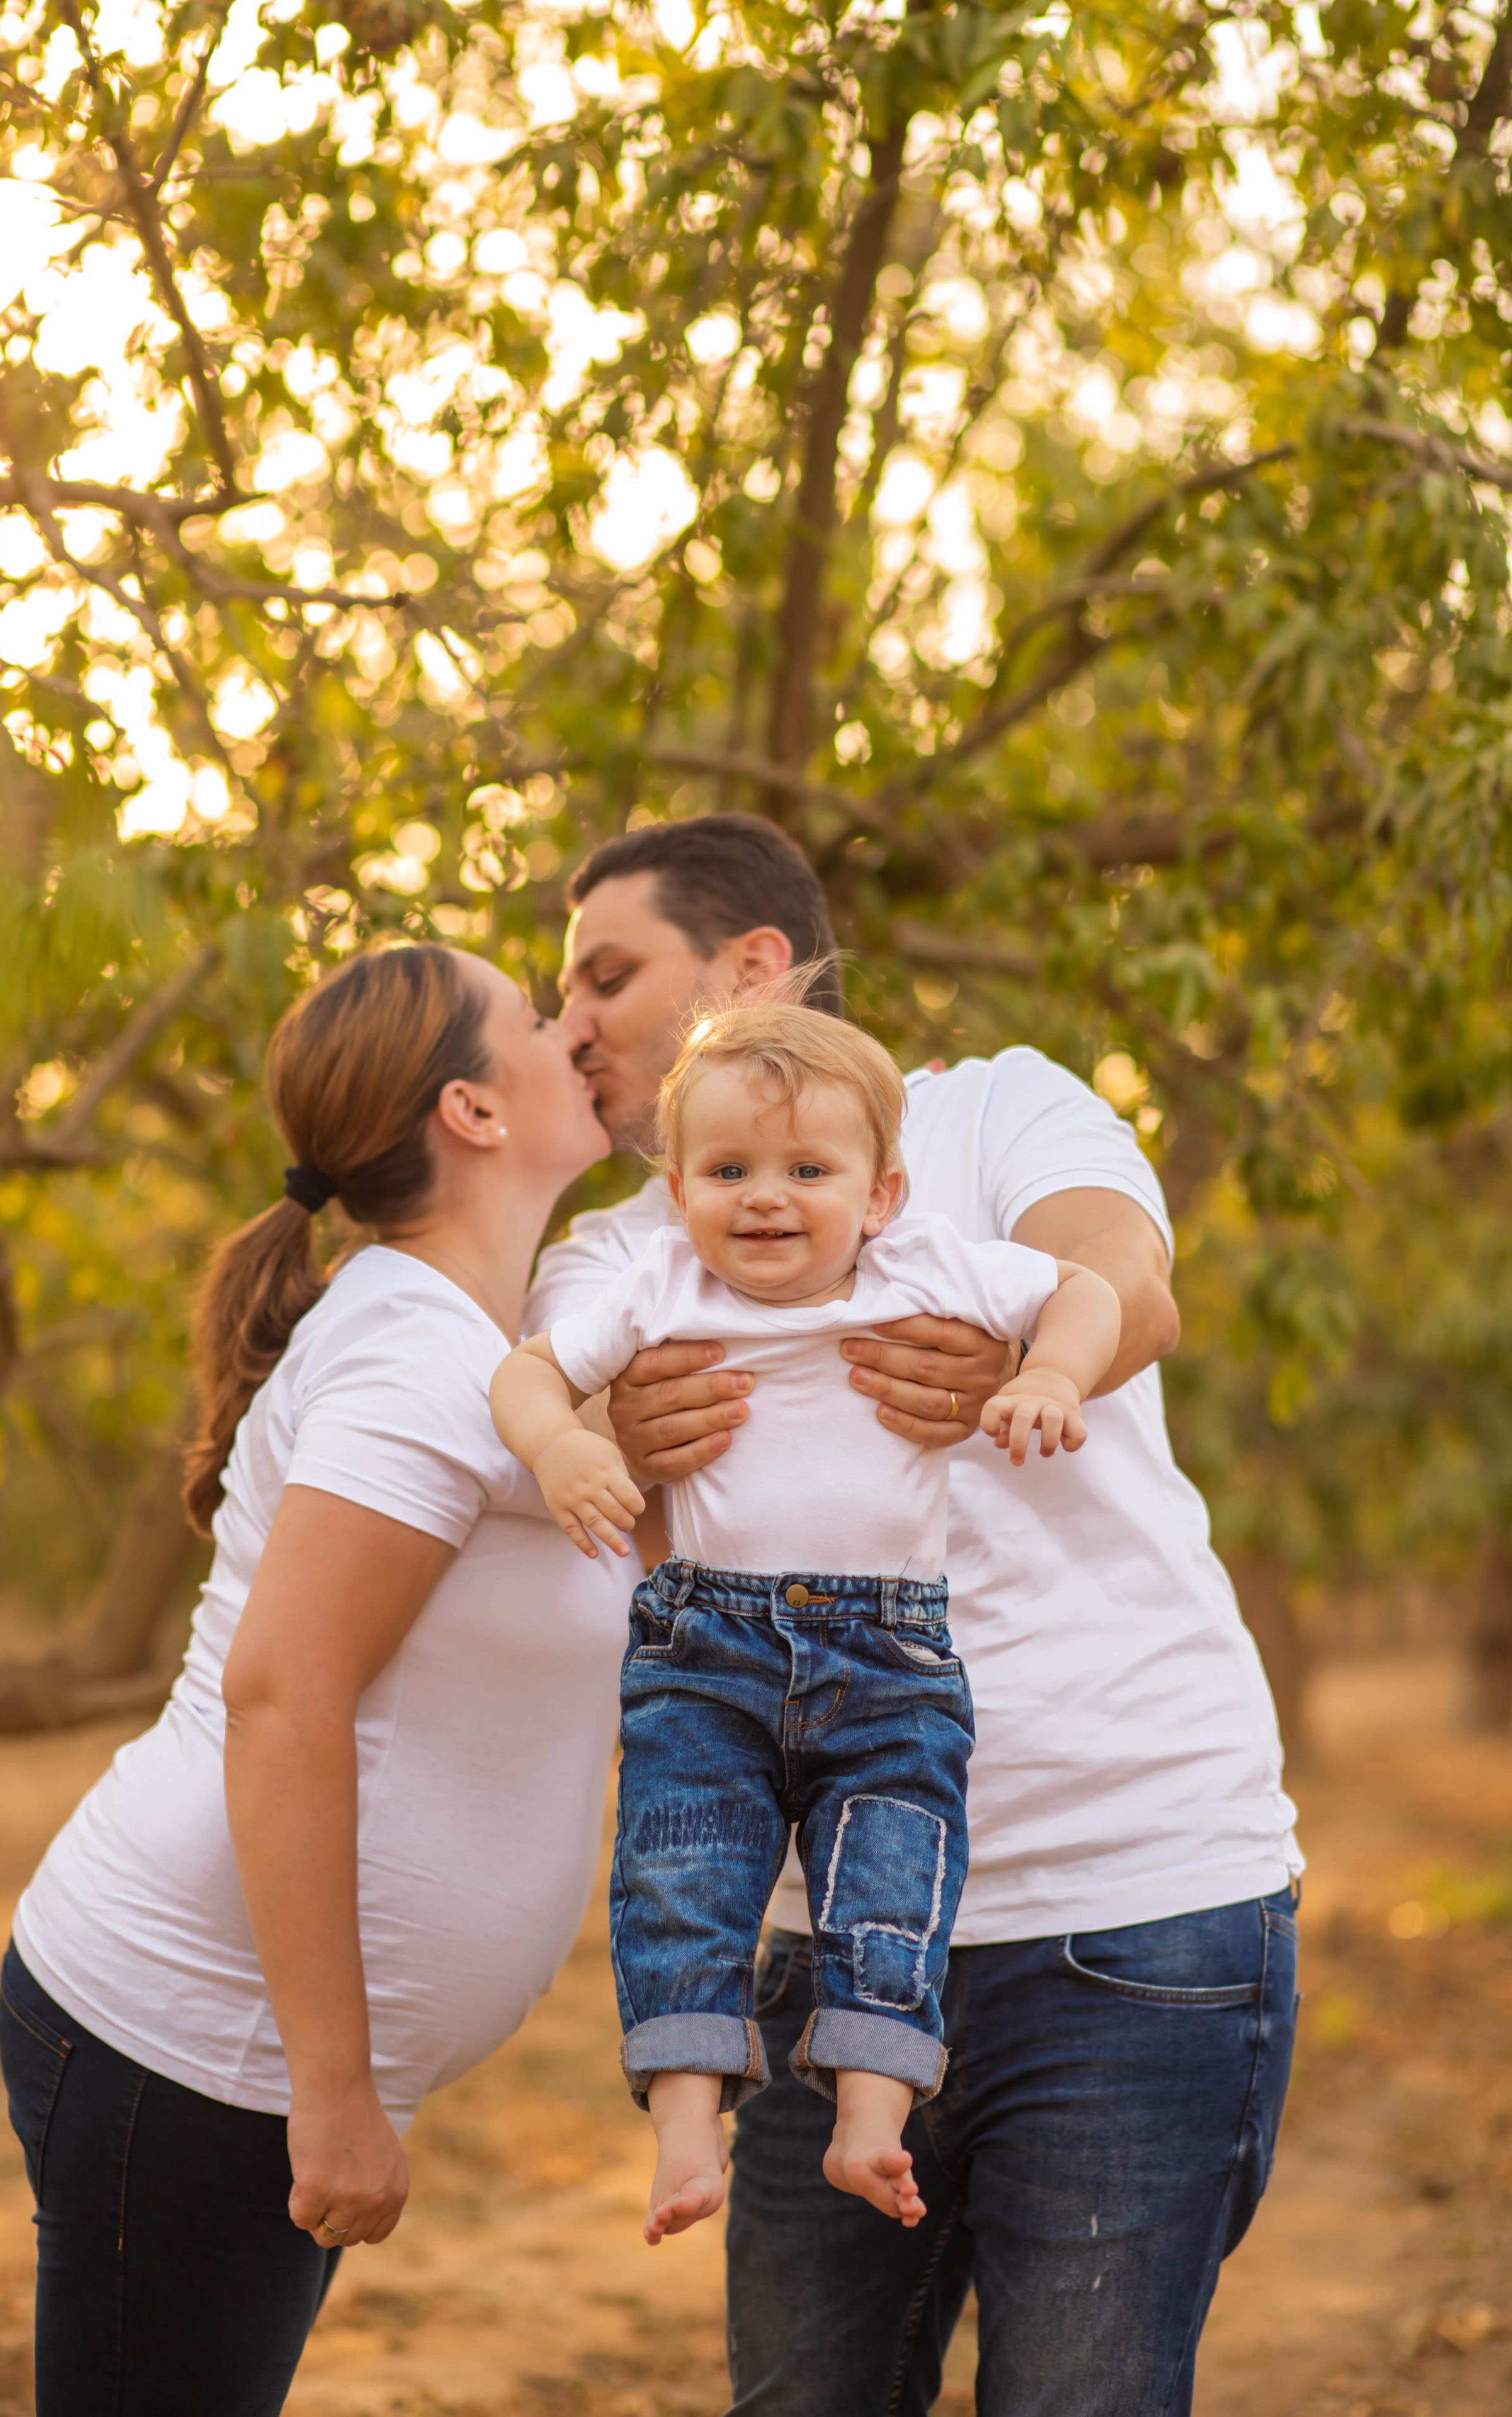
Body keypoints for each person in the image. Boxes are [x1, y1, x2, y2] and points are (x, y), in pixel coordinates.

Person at [527, 814, 1303, 2417]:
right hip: (818, 1944)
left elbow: (1126, 1278)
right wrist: (606, 1439)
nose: (568, 1027)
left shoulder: (987, 1111)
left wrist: (1028, 1367)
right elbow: (603, 1512)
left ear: (751, 966)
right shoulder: (623, 1255)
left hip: (1128, 1911)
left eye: (604, 977)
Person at [0, 942, 631, 2417]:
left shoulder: (489, 1349)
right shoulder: (415, 1357)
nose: (572, 1031)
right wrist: (332, 2093)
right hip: (192, 2046)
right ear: (473, 1109)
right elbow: (283, 1696)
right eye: (537, 1016)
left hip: (226, 2056)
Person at [493, 991, 1120, 2246]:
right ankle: (686, 2125)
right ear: (679, 1191)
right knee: (682, 1871)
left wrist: (1050, 1371)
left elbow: (1087, 1290)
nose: (766, 1198)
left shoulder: (927, 1264)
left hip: (888, 1657)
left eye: (807, 1171)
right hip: (705, 1651)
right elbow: (526, 1373)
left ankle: (868, 2119)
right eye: (728, 1171)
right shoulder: (659, 1284)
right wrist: (563, 1446)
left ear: (879, 1195)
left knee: (892, 1874)